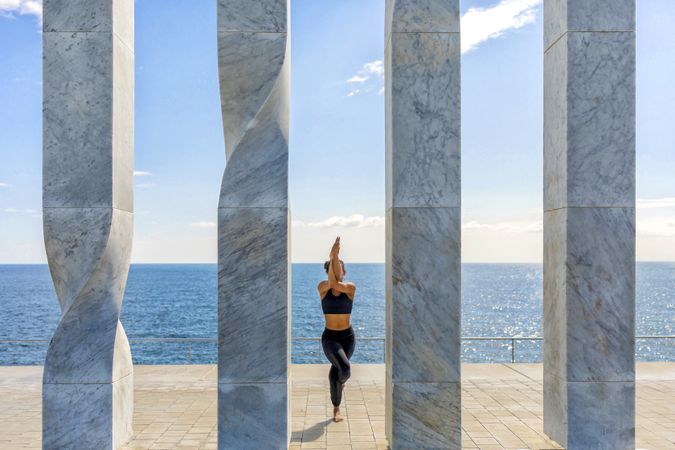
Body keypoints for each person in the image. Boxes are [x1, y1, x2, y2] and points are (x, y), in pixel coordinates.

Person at [317, 236, 356, 422]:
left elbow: (337, 284)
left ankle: (336, 406)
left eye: (341, 266)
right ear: (330, 270)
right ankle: (337, 404)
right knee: (345, 368)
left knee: (339, 371)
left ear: (344, 271)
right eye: (335, 265)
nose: (339, 269)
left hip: (348, 337)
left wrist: (334, 255)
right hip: (330, 338)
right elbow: (332, 284)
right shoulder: (323, 287)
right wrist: (333, 256)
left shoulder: (350, 288)